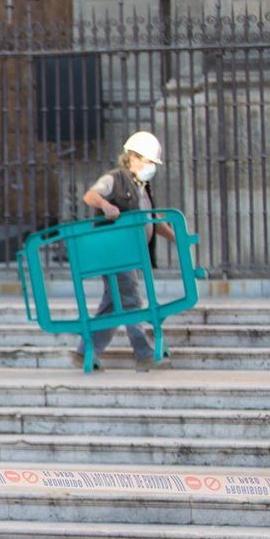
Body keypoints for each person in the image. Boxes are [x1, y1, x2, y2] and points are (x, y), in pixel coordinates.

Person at [72, 131, 178, 373]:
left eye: (153, 162)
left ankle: (84, 352)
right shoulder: (115, 178)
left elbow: (150, 218)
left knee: (112, 304)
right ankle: (144, 355)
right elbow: (90, 195)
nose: (150, 166)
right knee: (130, 300)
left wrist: (176, 238)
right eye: (147, 160)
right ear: (132, 157)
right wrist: (106, 205)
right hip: (115, 254)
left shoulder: (142, 187)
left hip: (130, 254)